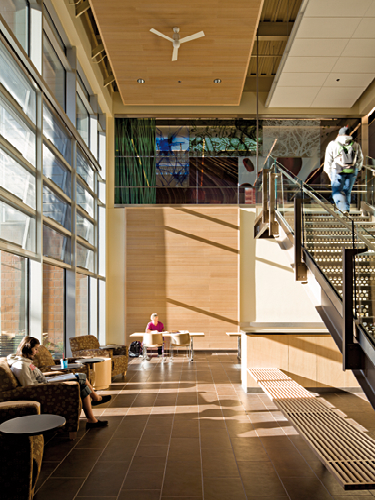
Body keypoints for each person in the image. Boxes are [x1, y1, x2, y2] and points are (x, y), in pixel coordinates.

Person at [7, 337, 111, 429]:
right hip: (45, 387)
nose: (37, 352)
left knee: (82, 382)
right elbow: (29, 387)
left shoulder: (26, 362)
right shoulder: (21, 366)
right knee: (81, 378)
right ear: (28, 348)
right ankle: (96, 400)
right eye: (35, 349)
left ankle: (92, 417)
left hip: (45, 382)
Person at [324, 126, 363, 215]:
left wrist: (329, 174)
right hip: (352, 171)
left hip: (337, 170)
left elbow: (328, 161)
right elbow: (360, 159)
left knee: (336, 191)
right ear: (349, 134)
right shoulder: (355, 144)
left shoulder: (333, 144)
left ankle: (343, 209)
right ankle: (346, 210)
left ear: (339, 134)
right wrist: (356, 169)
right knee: (347, 192)